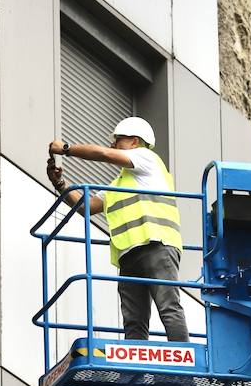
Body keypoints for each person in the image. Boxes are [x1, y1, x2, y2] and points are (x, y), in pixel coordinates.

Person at [45, 117, 189, 343]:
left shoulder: (147, 158)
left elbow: (103, 155)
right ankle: (138, 370)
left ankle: (184, 360)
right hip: (129, 254)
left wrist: (66, 149)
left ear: (134, 142)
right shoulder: (117, 185)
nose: (112, 145)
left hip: (156, 245)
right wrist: (61, 184)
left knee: (168, 306)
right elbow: (87, 207)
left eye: (118, 140)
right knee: (134, 320)